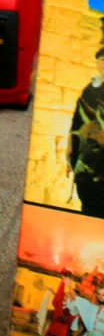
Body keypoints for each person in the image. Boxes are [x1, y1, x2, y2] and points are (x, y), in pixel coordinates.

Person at [68, 46, 104, 216]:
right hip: (87, 162)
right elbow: (77, 121)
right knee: (89, 206)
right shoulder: (89, 89)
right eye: (102, 60)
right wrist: (70, 149)